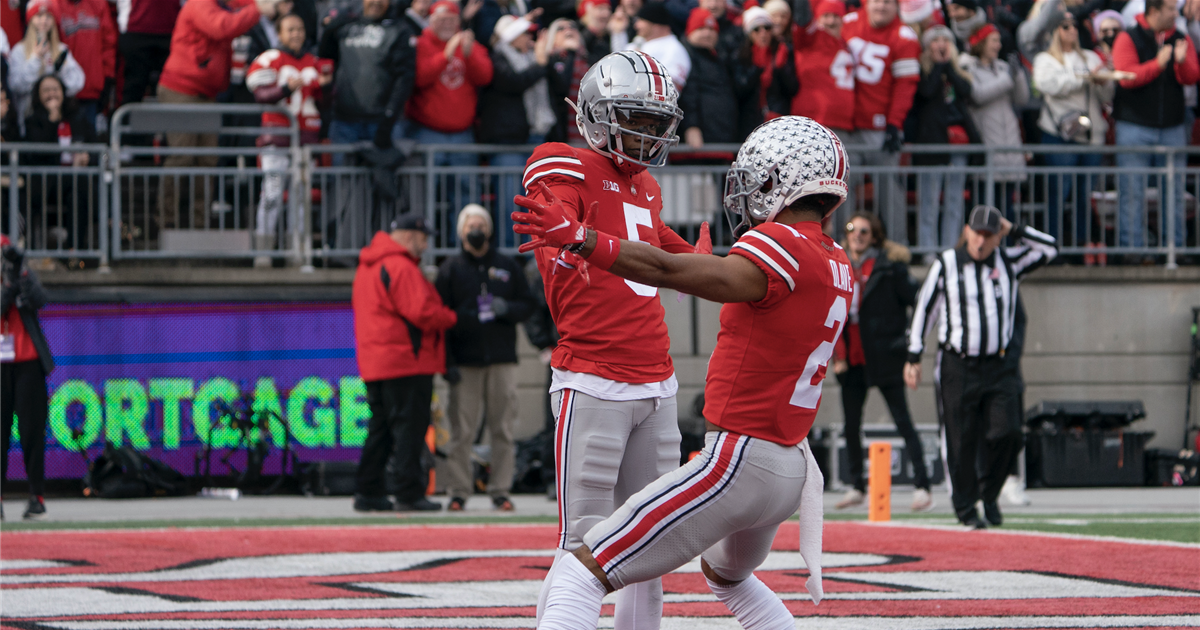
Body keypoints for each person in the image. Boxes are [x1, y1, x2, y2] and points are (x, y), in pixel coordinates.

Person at [516, 114, 843, 630]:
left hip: (738, 458)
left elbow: (665, 270)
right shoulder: (836, 260)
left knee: (583, 569)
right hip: (792, 465)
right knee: (726, 577)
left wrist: (582, 238)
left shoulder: (779, 245)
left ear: (779, 179)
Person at [520, 50, 702, 629]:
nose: (647, 133)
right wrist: (572, 235)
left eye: (656, 122)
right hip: (593, 375)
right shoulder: (561, 162)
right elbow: (558, 224)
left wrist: (697, 261)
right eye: (636, 118)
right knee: (582, 543)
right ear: (596, 113)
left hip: (659, 379)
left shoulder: (645, 185)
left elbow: (647, 236)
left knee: (650, 549)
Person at [905, 205, 1057, 529]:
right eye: (977, 233)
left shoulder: (1010, 262)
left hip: (999, 365)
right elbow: (925, 310)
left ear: (997, 236)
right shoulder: (946, 264)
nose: (981, 241)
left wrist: (1014, 229)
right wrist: (914, 355)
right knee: (959, 440)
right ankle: (966, 507)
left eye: (989, 235)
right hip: (957, 363)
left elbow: (1050, 248)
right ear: (966, 232)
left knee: (1009, 432)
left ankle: (990, 493)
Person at [352, 213, 457, 513]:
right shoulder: (400, 266)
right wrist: (451, 317)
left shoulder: (368, 266)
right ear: (411, 236)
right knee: (409, 430)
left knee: (381, 428)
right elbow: (423, 312)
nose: (425, 245)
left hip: (377, 362)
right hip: (406, 361)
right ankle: (408, 493)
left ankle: (368, 489)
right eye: (424, 238)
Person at [436, 204, 535, 512]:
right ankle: (458, 490)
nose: (476, 229)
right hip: (466, 360)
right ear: (461, 231)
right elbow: (441, 320)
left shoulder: (507, 266)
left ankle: (500, 489)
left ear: (489, 230)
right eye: (470, 225)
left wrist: (508, 309)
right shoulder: (450, 269)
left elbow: (529, 305)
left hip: (502, 359)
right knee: (461, 430)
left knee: (502, 428)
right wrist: (448, 362)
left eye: (481, 224)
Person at [833, 211, 933, 513]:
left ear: (874, 236)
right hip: (852, 356)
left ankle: (923, 486)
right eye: (852, 229)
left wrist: (906, 343)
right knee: (851, 424)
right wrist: (837, 355)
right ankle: (856, 485)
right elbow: (832, 313)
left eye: (864, 231)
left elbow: (919, 302)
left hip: (885, 353)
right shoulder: (837, 265)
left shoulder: (890, 268)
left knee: (903, 419)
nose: (857, 235)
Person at [157, 0, 275, 230]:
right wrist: (258, 8)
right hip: (181, 88)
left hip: (205, 92)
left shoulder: (219, 4)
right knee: (182, 156)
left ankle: (199, 222)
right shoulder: (199, 3)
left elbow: (238, 4)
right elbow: (222, 26)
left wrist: (264, 4)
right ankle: (166, 221)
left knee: (207, 159)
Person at [1112, 0, 1199, 258]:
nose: (1176, 13)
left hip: (1171, 126)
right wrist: (1159, 64)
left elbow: (1192, 76)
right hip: (1133, 126)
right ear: (1153, 11)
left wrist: (1180, 62)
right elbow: (1126, 77)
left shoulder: (1181, 38)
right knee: (1132, 191)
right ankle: (1132, 251)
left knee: (1173, 192)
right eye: (1171, 9)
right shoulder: (1128, 37)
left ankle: (1174, 249)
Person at [246, 12, 331, 266]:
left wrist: (326, 87)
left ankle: (298, 252)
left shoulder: (313, 61)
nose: (297, 34)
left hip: (306, 139)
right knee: (271, 195)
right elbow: (260, 94)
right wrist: (285, 89)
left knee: (301, 198)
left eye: (300, 29)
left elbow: (325, 100)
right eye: (291, 29)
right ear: (280, 33)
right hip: (277, 137)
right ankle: (263, 251)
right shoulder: (270, 59)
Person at [1033, 12, 1113, 247]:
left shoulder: (1089, 57)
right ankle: (1052, 245)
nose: (1072, 30)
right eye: (1065, 26)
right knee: (1059, 192)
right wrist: (1084, 77)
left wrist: (1103, 81)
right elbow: (1046, 85)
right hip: (1059, 133)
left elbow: (1106, 97)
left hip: (1090, 133)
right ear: (1055, 31)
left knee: (1084, 194)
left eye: (1074, 26)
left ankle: (1081, 245)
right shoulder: (1045, 59)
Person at [842, 0, 920, 241]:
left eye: (888, 2)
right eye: (877, 1)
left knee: (890, 190)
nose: (881, 7)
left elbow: (905, 86)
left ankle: (896, 248)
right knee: (839, 189)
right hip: (846, 125)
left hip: (879, 128)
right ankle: (837, 246)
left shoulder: (904, 36)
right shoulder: (848, 23)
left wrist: (894, 123)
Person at [406, 0, 494, 186]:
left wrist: (469, 55)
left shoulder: (469, 44)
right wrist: (446, 55)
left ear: (458, 21)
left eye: (451, 19)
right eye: (441, 19)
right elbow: (418, 79)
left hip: (462, 134)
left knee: (466, 190)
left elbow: (485, 77)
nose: (447, 24)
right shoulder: (420, 44)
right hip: (427, 132)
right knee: (425, 189)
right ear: (430, 20)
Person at [478, 15, 553, 225]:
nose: (530, 38)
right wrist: (540, 64)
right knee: (510, 201)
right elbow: (513, 82)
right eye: (524, 34)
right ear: (512, 37)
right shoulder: (496, 58)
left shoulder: (532, 57)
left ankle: (534, 251)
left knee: (537, 200)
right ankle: (513, 250)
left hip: (532, 135)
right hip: (506, 141)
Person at [0, 236, 54, 521]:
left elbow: (41, 300)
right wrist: (8, 286)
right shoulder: (7, 281)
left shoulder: (19, 272)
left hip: (29, 363)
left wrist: (21, 272)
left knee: (32, 432)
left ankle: (37, 496)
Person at [910, 24, 978, 250]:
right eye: (935, 41)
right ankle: (928, 250)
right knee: (928, 202)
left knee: (954, 202)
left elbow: (966, 91)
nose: (940, 45)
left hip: (957, 144)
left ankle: (950, 249)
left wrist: (949, 65)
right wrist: (939, 66)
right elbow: (926, 92)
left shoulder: (957, 70)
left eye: (945, 41)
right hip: (931, 143)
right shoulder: (922, 70)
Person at [318, 0, 416, 153]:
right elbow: (324, 55)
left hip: (382, 122)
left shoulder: (399, 30)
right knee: (341, 176)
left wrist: (389, 117)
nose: (376, 2)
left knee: (382, 176)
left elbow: (404, 78)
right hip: (344, 121)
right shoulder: (345, 25)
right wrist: (329, 30)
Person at [960, 22, 1029, 220]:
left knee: (1005, 209)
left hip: (1009, 142)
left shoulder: (1003, 68)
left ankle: (1004, 247)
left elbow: (1021, 99)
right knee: (983, 207)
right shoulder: (968, 67)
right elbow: (978, 95)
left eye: (999, 41)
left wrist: (1018, 75)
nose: (998, 45)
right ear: (981, 42)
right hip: (987, 141)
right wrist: (1007, 79)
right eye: (994, 40)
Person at [23, 74, 95, 250]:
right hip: (46, 180)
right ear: (38, 95)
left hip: (74, 179)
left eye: (55, 89)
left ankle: (74, 250)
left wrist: (87, 157)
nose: (51, 94)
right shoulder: (33, 121)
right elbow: (37, 151)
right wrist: (52, 121)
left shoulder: (77, 118)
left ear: (63, 92)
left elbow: (94, 145)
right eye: (46, 90)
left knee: (79, 192)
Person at [7, 0, 85, 130]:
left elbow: (77, 83)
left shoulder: (61, 49)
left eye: (48, 16)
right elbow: (16, 85)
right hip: (28, 119)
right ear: (31, 19)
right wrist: (36, 58)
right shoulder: (19, 50)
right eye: (39, 16)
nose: (44, 21)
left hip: (58, 118)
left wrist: (61, 67)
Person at [679, 8, 742, 147]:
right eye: (701, 28)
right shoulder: (685, 55)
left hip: (719, 135)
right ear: (690, 31)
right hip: (699, 143)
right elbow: (688, 95)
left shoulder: (718, 57)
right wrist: (691, 127)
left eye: (711, 29)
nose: (707, 34)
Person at [734, 6, 798, 137]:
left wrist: (781, 68)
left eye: (767, 28)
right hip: (750, 121)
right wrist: (757, 68)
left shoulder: (782, 52)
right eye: (756, 29)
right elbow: (740, 89)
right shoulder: (741, 56)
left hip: (778, 118)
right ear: (749, 33)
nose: (763, 33)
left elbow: (793, 88)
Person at [51, 0, 116, 126]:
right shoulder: (54, 5)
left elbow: (109, 44)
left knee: (89, 139)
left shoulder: (99, 4)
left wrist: (108, 77)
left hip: (93, 89)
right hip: (62, 92)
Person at [114, 0, 181, 108]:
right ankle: (126, 122)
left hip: (170, 30)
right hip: (135, 30)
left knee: (171, 87)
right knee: (133, 86)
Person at [626, 2, 690, 90]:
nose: (636, 26)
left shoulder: (675, 49)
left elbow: (671, 89)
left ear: (656, 25)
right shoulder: (636, 43)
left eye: (641, 21)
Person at [545, 17, 589, 144]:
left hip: (588, 130)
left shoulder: (590, 59)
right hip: (560, 132)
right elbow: (562, 87)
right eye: (561, 28)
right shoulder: (548, 61)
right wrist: (570, 53)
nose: (568, 30)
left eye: (572, 27)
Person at [578, 0, 613, 65]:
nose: (607, 13)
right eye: (600, 8)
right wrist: (592, 30)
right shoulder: (575, 29)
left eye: (608, 9)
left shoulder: (608, 36)